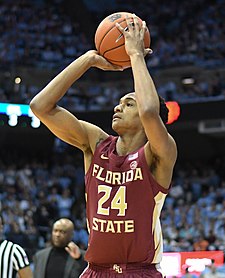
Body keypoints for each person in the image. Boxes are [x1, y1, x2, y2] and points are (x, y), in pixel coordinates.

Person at [30, 13, 177, 277]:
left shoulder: (159, 153)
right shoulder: (96, 143)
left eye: (128, 103)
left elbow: (149, 112)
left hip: (139, 271)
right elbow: (40, 107)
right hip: (95, 271)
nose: (117, 106)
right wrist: (88, 60)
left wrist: (136, 56)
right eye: (119, 102)